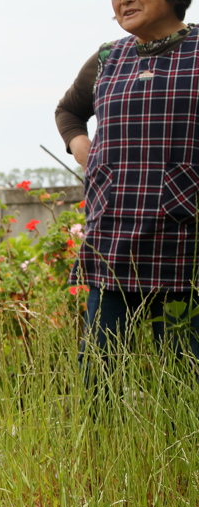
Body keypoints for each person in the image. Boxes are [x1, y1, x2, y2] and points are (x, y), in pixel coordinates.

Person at [56, 0, 199, 376]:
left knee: (185, 378)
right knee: (99, 380)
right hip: (113, 241)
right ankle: (103, 437)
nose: (125, 1)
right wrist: (81, 148)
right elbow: (68, 111)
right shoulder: (107, 58)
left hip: (185, 245)